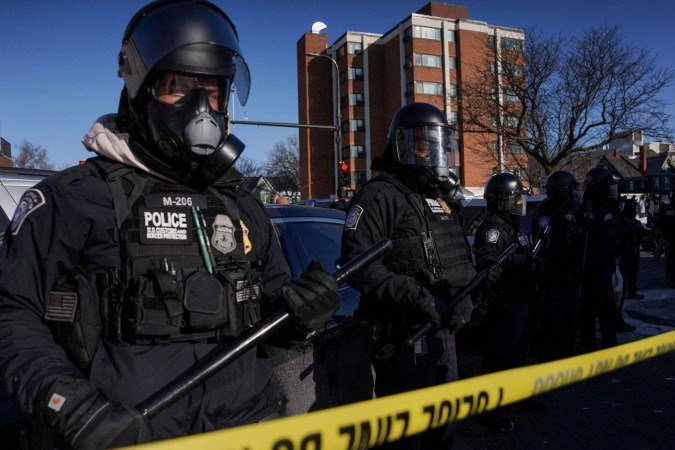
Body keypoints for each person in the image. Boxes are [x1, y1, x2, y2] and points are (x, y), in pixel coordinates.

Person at [0, 2, 340, 449]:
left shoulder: (241, 204)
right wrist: (70, 406)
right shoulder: (75, 198)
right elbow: (11, 314)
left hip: (248, 429)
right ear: (140, 91)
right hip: (128, 435)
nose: (201, 109)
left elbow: (270, 320)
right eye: (177, 87)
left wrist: (302, 318)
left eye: (212, 93)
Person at [340, 102, 475, 450]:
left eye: (436, 143)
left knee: (443, 427)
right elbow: (358, 264)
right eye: (421, 142)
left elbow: (451, 255)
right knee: (406, 436)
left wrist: (465, 294)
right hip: (402, 335)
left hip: (441, 331)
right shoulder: (379, 195)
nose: (430, 150)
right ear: (401, 144)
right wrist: (416, 296)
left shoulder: (435, 198)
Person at [473, 172, 532, 432]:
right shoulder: (493, 230)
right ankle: (492, 411)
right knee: (498, 358)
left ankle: (519, 397)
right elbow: (489, 262)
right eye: (517, 199)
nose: (520, 204)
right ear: (504, 201)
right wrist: (517, 262)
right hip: (502, 303)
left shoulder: (512, 227)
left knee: (519, 353)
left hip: (520, 300)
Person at [532, 170, 583, 360]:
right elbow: (545, 245)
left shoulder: (571, 211)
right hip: (554, 276)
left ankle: (567, 349)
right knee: (555, 319)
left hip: (570, 273)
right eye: (571, 191)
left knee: (571, 316)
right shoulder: (547, 213)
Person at [577, 167, 622, 351]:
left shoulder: (604, 206)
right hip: (594, 268)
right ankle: (591, 346)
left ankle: (608, 342)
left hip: (603, 266)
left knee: (606, 309)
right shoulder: (590, 208)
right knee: (591, 309)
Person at [619, 200, 646, 300]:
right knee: (626, 272)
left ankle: (631, 291)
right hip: (627, 250)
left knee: (632, 272)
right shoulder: (624, 221)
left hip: (632, 249)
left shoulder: (632, 221)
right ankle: (626, 292)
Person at [655, 189, 675, 287]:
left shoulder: (667, 208)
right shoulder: (667, 208)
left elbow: (660, 221)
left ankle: (671, 278)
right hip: (670, 236)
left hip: (669, 236)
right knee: (671, 258)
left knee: (671, 258)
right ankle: (671, 278)